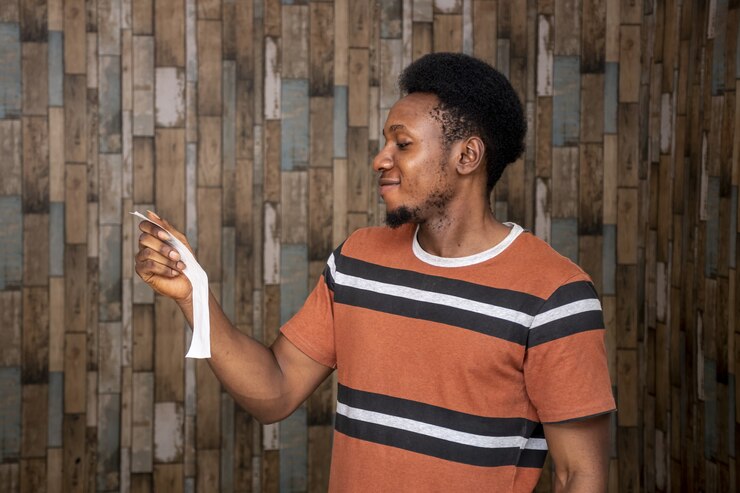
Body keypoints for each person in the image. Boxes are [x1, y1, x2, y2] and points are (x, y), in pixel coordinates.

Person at [136, 52, 615, 492]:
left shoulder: (555, 294)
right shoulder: (357, 260)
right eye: (386, 141)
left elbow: (580, 474)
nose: (380, 159)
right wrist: (192, 293)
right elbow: (274, 393)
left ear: (467, 157)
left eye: (402, 144)